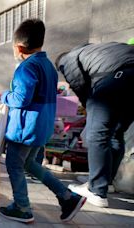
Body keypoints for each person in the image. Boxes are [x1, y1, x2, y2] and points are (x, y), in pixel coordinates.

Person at [0, 19, 86, 223]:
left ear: (19, 47)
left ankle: (22, 207)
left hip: (25, 129)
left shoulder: (26, 67)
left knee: (14, 165)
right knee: (31, 164)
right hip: (42, 127)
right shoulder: (48, 65)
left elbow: (21, 99)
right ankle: (67, 197)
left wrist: (4, 96)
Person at [55, 42, 134, 207]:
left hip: (116, 79)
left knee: (98, 134)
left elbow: (79, 85)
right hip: (127, 80)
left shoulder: (67, 59)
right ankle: (106, 182)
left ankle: (97, 190)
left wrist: (89, 109)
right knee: (116, 133)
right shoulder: (96, 50)